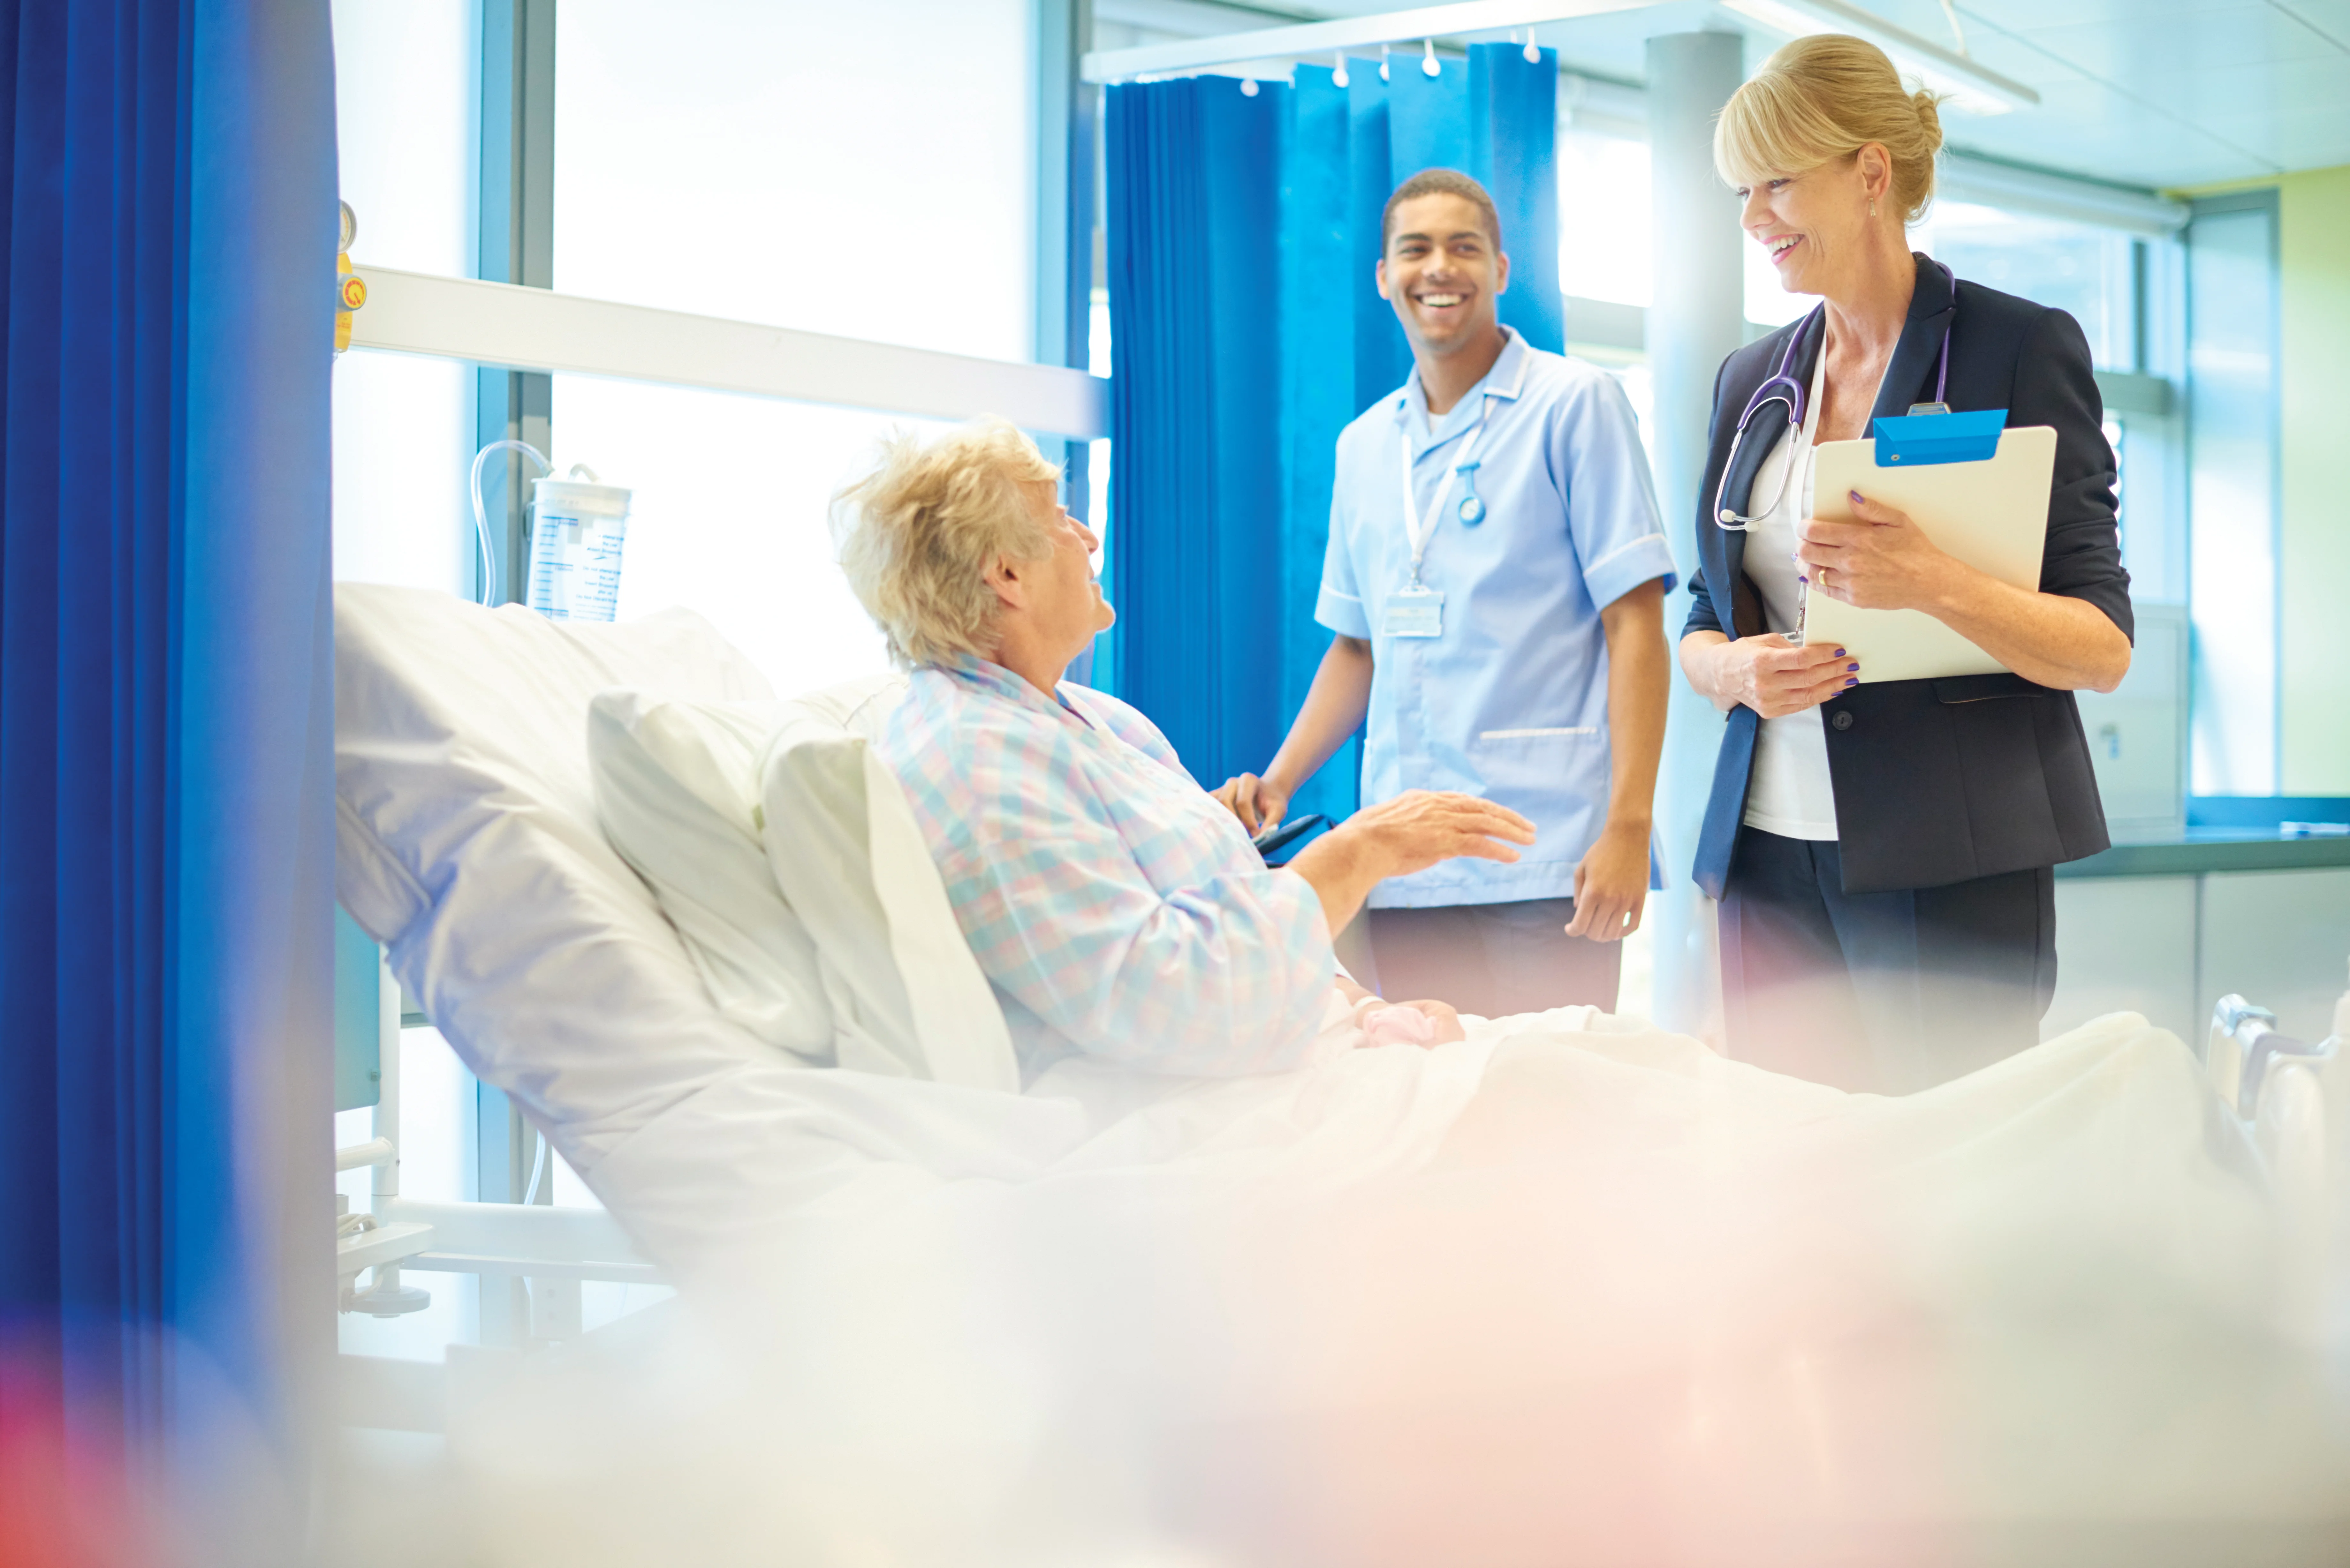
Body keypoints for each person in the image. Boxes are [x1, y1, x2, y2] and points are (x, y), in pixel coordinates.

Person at [1681, 34, 2133, 1094]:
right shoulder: (1752, 378)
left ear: (1870, 173)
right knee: (1794, 1190)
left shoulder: (2015, 349)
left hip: (1948, 857)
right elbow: (1700, 619)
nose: (1755, 219)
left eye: (1779, 183)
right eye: (1745, 191)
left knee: (1941, 1193)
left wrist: (1934, 582)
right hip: (1763, 855)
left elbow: (2101, 647)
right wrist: (1733, 671)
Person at [832, 418, 1537, 1081]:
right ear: (1007, 575)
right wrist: (1357, 852)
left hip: (1322, 1048)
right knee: (1598, 1097)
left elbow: (1227, 913)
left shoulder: (1094, 720)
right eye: (1058, 520)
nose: (1087, 536)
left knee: (1605, 1055)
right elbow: (1166, 1001)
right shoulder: (977, 762)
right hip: (1208, 1106)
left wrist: (1368, 1007)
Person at [1213, 168, 1678, 1020]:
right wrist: (1278, 783)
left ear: (1502, 269)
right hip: (1407, 863)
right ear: (1384, 277)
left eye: (1464, 247)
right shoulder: (1364, 447)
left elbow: (1636, 621)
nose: (1440, 269)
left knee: (1558, 1116)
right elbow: (1357, 647)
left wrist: (1630, 826)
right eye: (1415, 249)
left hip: (1545, 853)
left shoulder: (1574, 405)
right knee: (1440, 1116)